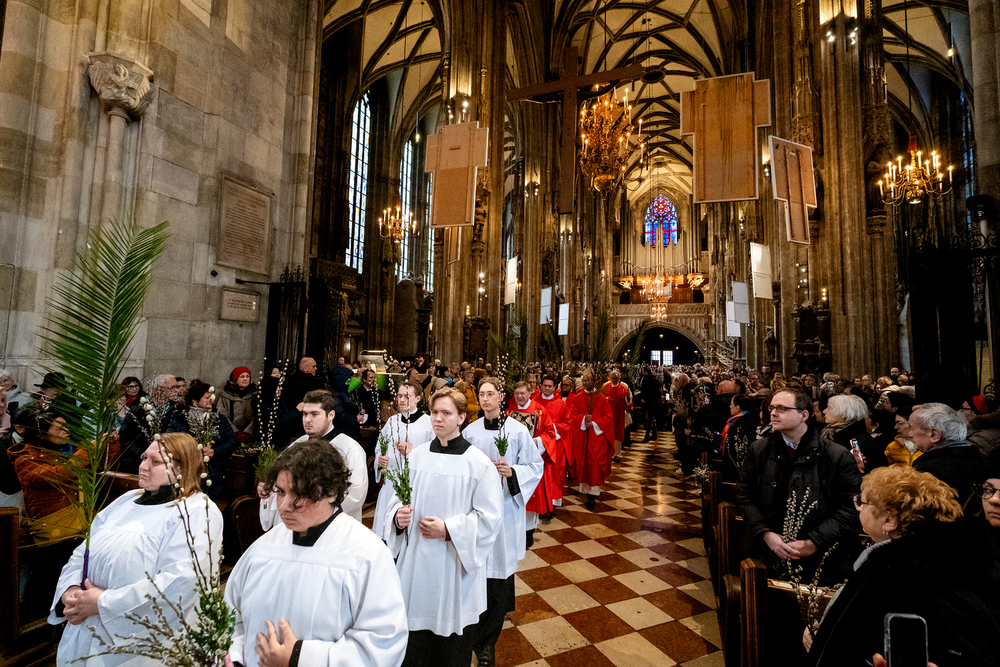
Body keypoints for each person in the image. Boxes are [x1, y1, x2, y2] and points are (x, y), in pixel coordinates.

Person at [226, 441, 408, 667]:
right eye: (281, 492)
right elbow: (232, 615)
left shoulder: (366, 554)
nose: (283, 506)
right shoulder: (263, 548)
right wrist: (237, 657)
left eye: (299, 493)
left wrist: (298, 657)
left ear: (331, 492)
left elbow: (383, 642)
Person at [50, 433, 223, 667]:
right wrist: (71, 589)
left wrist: (103, 603)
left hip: (140, 645)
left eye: (156, 461)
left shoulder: (196, 510)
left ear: (183, 468)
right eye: (144, 458)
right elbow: (83, 552)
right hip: (84, 623)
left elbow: (183, 581)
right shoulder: (125, 501)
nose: (143, 466)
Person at [803, 466, 1000, 667]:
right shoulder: (960, 566)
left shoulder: (887, 576)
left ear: (889, 520)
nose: (858, 508)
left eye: (862, 502)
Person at [384, 388, 503, 667]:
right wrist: (398, 517)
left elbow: (489, 519)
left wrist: (449, 529)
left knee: (449, 649)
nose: (438, 418)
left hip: (453, 564)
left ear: (461, 417)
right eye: (434, 412)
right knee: (415, 645)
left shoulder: (478, 464)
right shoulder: (417, 457)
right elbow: (397, 500)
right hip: (415, 563)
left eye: (446, 413)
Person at [736, 389, 862, 583]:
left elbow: (851, 507)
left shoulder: (836, 455)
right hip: (766, 550)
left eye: (782, 408)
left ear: (804, 415)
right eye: (772, 408)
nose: (773, 413)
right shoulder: (759, 450)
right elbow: (744, 495)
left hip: (820, 558)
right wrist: (765, 533)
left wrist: (814, 541)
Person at [462, 379, 542, 667]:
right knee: (475, 575)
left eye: (490, 394)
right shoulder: (470, 432)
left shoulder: (517, 431)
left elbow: (535, 466)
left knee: (499, 579)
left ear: (501, 397)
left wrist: (513, 472)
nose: (485, 399)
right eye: (482, 394)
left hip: (505, 513)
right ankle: (472, 634)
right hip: (476, 513)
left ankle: (487, 644)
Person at [260, 390, 368, 526]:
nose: (307, 420)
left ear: (331, 415)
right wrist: (268, 491)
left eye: (314, 414)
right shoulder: (296, 446)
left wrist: (314, 515)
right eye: (305, 414)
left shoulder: (349, 448)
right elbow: (278, 484)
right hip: (294, 524)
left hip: (330, 528)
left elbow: (355, 495)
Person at [8, 402, 87, 543]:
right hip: (55, 527)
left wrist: (111, 442)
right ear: (42, 434)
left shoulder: (62, 449)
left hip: (77, 521)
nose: (66, 431)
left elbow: (102, 466)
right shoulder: (25, 456)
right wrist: (85, 454)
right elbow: (51, 476)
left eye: (66, 426)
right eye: (59, 428)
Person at [372, 381, 434, 540]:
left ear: (418, 399)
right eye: (399, 396)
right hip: (391, 486)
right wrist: (381, 461)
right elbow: (379, 449)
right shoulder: (391, 422)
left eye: (406, 396)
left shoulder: (429, 424)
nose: (401, 400)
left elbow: (434, 458)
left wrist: (411, 453)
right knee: (386, 537)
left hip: (413, 488)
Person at [164, 380, 238, 499]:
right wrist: (191, 451)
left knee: (209, 504)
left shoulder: (219, 419)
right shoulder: (180, 419)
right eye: (207, 398)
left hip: (213, 473)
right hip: (188, 473)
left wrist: (215, 451)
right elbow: (170, 441)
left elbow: (232, 441)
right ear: (195, 400)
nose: (212, 400)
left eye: (212, 397)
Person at [909, 402, 985, 507]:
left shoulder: (928, 471)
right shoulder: (980, 461)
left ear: (934, 435)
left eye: (911, 428)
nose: (910, 434)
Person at [566, 368, 615, 510]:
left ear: (593, 381)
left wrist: (594, 423)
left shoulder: (601, 398)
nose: (584, 382)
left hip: (596, 437)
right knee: (583, 461)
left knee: (594, 463)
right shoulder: (578, 397)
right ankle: (585, 490)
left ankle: (592, 494)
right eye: (583, 379)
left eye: (587, 380)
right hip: (582, 437)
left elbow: (608, 417)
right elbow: (572, 414)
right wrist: (582, 419)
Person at [117, 373, 183, 473]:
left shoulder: (178, 410)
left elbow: (183, 435)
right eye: (172, 388)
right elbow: (125, 439)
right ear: (158, 389)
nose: (176, 391)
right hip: (138, 465)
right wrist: (144, 454)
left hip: (168, 466)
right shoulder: (137, 410)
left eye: (177, 387)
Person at [822, 394, 887, 474]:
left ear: (844, 412)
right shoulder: (832, 434)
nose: (824, 411)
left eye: (829, 408)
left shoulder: (859, 442)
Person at [218, 366, 258, 444]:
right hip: (230, 434)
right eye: (242, 377)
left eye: (247, 376)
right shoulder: (226, 395)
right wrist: (235, 432)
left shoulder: (255, 395)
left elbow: (258, 415)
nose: (245, 379)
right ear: (235, 379)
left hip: (251, 434)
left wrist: (248, 432)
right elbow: (222, 414)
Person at [601, 370, 631, 462]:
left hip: (618, 415)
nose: (614, 380)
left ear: (619, 379)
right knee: (607, 434)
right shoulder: (605, 387)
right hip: (607, 415)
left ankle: (617, 454)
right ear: (610, 378)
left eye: (616, 378)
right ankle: (607, 453)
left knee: (617, 435)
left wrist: (629, 404)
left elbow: (628, 403)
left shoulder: (623, 389)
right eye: (613, 378)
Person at [638, 366, 661, 442]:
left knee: (648, 419)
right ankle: (654, 434)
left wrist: (645, 399)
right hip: (649, 402)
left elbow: (651, 392)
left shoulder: (650, 380)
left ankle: (647, 435)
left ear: (646, 372)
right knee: (651, 418)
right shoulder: (648, 379)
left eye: (643, 371)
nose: (642, 372)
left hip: (650, 402)